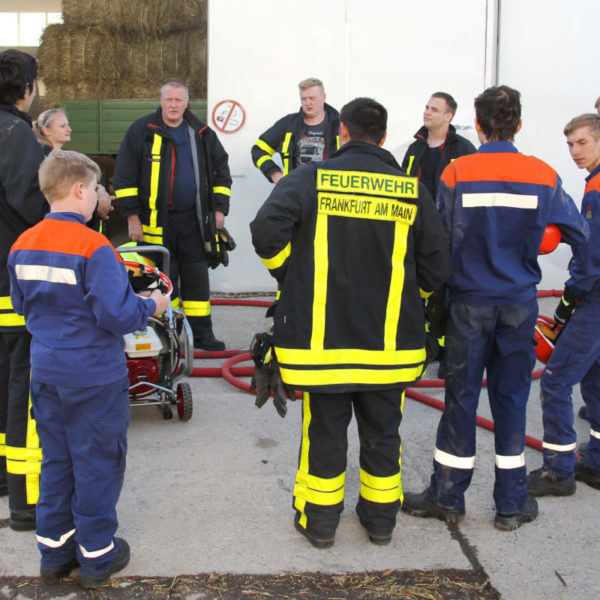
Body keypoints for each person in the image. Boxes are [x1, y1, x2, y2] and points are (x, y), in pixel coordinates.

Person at [250, 97, 451, 548]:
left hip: (323, 346)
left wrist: (290, 273)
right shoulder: (409, 189)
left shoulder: (309, 180)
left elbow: (265, 231)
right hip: (390, 347)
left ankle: (320, 525)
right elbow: (437, 268)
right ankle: (380, 523)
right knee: (384, 433)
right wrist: (409, 297)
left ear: (342, 133)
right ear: (383, 137)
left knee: (324, 431)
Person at [401, 85, 589, 531]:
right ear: (519, 125)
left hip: (468, 305)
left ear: (478, 125)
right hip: (519, 306)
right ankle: (511, 504)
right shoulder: (543, 174)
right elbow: (578, 232)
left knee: (461, 398)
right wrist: (540, 238)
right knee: (511, 400)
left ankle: (447, 495)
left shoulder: (457, 172)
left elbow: (437, 240)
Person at [7, 150, 170, 587]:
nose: (100, 196)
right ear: (79, 189)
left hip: (46, 372)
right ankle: (98, 557)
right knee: (97, 462)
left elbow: (22, 306)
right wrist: (152, 304)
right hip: (93, 377)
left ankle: (54, 554)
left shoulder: (22, 243)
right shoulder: (95, 246)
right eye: (97, 188)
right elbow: (117, 316)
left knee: (56, 461)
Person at [113, 78, 232, 350]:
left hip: (194, 221)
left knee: (197, 278)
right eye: (169, 99)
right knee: (161, 279)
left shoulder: (202, 133)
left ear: (187, 102)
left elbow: (221, 172)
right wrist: (132, 218)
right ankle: (167, 335)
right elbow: (124, 177)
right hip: (155, 224)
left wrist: (219, 209)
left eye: (179, 100)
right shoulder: (142, 131)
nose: (174, 105)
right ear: (161, 101)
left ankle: (202, 335)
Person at [527, 113, 600, 495]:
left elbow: (590, 257)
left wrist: (567, 304)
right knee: (595, 376)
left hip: (595, 300)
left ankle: (558, 470)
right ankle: (599, 461)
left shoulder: (597, 188)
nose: (574, 151)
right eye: (570, 144)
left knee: (556, 381)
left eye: (582, 143)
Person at [0, 48, 47, 531]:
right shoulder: (16, 135)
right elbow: (33, 206)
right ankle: (26, 499)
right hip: (12, 289)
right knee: (24, 389)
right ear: (27, 88)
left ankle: (1, 478)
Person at [251, 77, 340, 185]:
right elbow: (258, 150)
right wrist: (274, 173)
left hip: (330, 194)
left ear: (324, 97)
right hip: (295, 193)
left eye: (312, 98)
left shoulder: (340, 126)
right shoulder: (288, 124)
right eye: (304, 99)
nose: (308, 103)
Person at [401, 92, 477, 200]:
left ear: (448, 116)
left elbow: (473, 190)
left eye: (434, 110)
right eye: (427, 108)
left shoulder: (464, 149)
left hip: (448, 216)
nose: (427, 112)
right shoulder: (414, 148)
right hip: (418, 215)